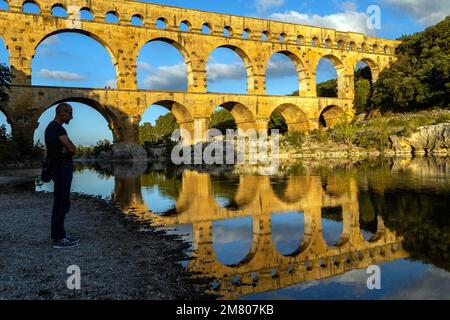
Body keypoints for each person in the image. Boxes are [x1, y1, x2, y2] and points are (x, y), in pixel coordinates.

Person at [44, 103, 79, 249]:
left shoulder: (52, 127)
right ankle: (59, 238)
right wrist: (67, 150)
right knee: (61, 202)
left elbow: (67, 148)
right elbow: (72, 148)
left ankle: (60, 234)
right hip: (61, 168)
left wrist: (66, 149)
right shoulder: (56, 128)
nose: (71, 116)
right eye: (70, 113)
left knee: (61, 201)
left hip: (59, 167)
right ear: (62, 112)